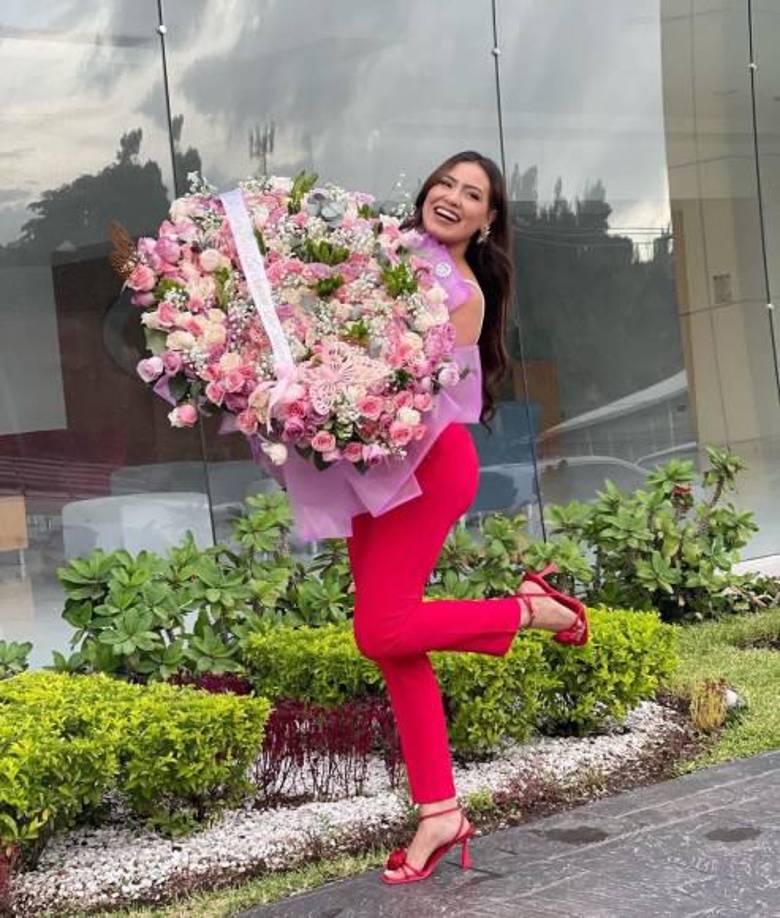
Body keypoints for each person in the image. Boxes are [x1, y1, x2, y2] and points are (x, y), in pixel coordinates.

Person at [344, 150, 589, 885]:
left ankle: (528, 612)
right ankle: (440, 811)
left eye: (472, 194)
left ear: (486, 223)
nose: (451, 197)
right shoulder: (379, 257)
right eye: (445, 183)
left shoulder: (463, 293)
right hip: (370, 470)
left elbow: (417, 402)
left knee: (379, 628)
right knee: (395, 647)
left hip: (429, 465)